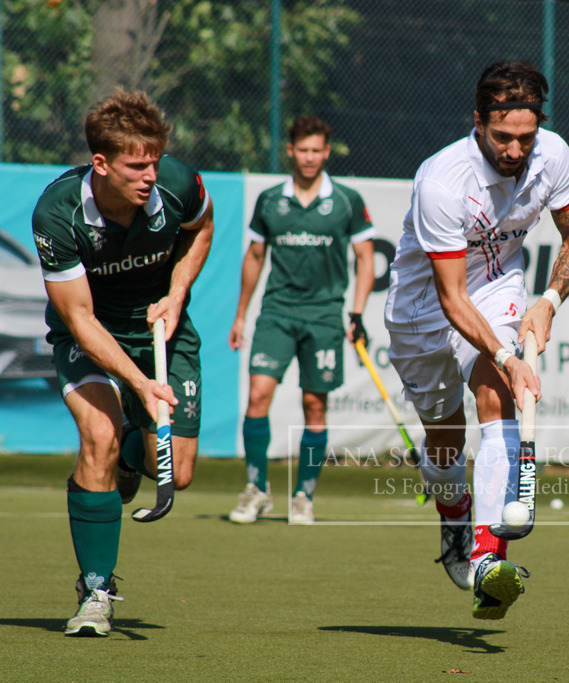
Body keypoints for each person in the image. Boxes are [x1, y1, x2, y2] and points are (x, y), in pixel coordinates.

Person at [384, 61, 569, 620]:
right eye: (502, 137)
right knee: (444, 442)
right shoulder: (442, 181)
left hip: (498, 285)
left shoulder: (553, 156)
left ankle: (487, 562)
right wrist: (507, 355)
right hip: (424, 308)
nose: (515, 150)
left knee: (497, 395)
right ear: (477, 121)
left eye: (526, 136)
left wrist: (548, 300)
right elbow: (452, 298)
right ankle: (454, 513)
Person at [31, 89, 214, 637]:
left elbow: (201, 227)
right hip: (89, 332)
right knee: (99, 435)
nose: (150, 176)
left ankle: (132, 459)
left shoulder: (178, 184)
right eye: (136, 166)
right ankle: (95, 591)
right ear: (101, 163)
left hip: (161, 329)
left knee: (176, 471)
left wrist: (177, 293)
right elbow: (80, 318)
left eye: (154, 161)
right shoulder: (57, 214)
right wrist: (139, 383)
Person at [228, 115, 375, 525]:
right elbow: (255, 256)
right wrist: (240, 315)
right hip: (276, 312)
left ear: (326, 153)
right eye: (302, 150)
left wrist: (357, 313)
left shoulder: (346, 199)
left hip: (324, 316)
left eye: (316, 151)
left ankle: (303, 496)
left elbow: (366, 259)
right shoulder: (270, 200)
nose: (309, 158)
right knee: (258, 396)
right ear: (290, 151)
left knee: (314, 404)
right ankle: (257, 489)